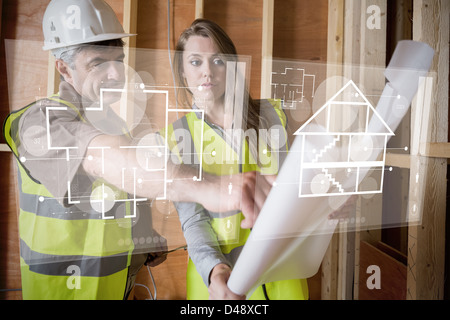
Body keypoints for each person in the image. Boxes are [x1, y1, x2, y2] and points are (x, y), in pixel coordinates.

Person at [3, 1, 269, 300]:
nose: (116, 73)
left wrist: (141, 242)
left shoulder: (116, 126)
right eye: (97, 63)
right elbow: (102, 157)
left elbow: (115, 198)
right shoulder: (36, 122)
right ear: (64, 68)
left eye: (119, 58)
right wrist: (212, 187)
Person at [166, 19, 309, 300]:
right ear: (183, 74)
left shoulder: (272, 116)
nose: (207, 71)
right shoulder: (178, 137)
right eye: (195, 62)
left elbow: (295, 188)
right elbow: (193, 220)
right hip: (223, 282)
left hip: (282, 278)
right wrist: (216, 270)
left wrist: (328, 199)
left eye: (217, 60)